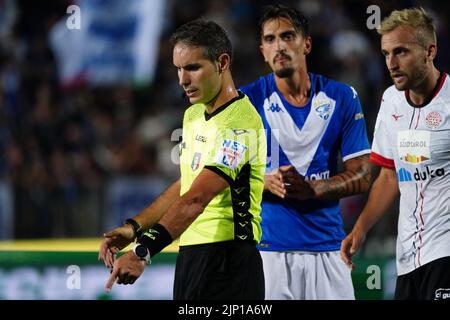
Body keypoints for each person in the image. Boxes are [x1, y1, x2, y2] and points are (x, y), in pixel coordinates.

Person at [98, 19, 267, 300]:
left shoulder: (242, 123)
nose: (182, 80)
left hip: (230, 262)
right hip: (190, 257)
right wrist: (135, 228)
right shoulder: (193, 115)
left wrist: (143, 251)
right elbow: (187, 184)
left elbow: (197, 198)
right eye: (178, 69)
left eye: (192, 68)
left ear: (222, 62)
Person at [239, 4, 372, 300]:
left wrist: (311, 189)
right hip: (268, 254)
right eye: (270, 39)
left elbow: (364, 175)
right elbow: (222, 176)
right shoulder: (245, 101)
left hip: (329, 250)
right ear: (262, 50)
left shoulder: (342, 97)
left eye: (288, 36)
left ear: (306, 44)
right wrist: (260, 180)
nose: (280, 46)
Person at [341, 7, 450, 300]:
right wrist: (360, 229)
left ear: (430, 51)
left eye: (401, 52)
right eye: (387, 54)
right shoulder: (391, 101)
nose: (391, 63)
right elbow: (389, 176)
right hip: (407, 259)